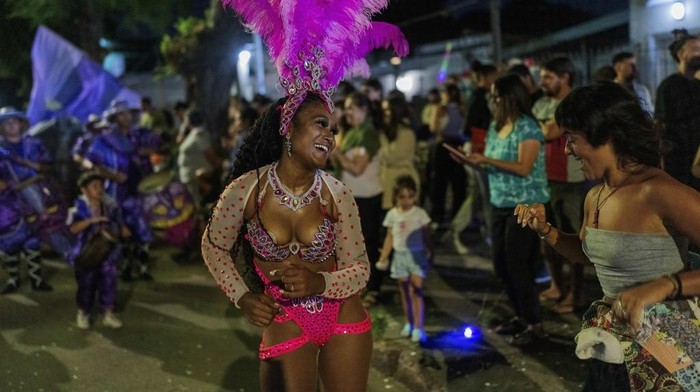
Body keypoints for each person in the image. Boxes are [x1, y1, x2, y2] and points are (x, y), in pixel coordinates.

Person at [203, 1, 408, 390]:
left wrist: (321, 284)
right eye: (319, 124)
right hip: (283, 320)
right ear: (288, 128)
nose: (330, 136)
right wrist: (243, 297)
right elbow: (214, 246)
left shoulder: (337, 193)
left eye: (332, 128)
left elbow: (360, 270)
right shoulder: (247, 190)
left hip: (344, 316)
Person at [514, 82, 700, 391]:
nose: (566, 150)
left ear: (608, 137)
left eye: (572, 140)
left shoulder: (659, 192)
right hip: (614, 345)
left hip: (667, 350)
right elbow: (589, 254)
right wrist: (546, 230)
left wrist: (666, 285)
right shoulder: (597, 195)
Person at [445, 74, 549, 344]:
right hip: (500, 201)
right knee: (501, 265)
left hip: (525, 203)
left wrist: (487, 158)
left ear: (510, 98)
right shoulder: (496, 126)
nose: (492, 102)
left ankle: (535, 324)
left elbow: (524, 167)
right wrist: (471, 162)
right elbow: (492, 165)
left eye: (496, 97)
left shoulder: (527, 128)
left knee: (518, 264)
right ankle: (521, 317)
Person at [533, 57, 587, 313]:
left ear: (565, 76)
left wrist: (542, 126)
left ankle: (576, 295)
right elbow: (538, 130)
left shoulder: (575, 103)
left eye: (548, 77)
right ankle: (557, 286)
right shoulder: (543, 102)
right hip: (544, 179)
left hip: (571, 180)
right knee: (547, 236)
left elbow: (547, 133)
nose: (542, 82)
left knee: (573, 239)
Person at [86, 100, 161, 281]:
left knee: (143, 230)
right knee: (122, 230)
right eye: (122, 114)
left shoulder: (140, 134)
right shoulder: (104, 140)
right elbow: (93, 165)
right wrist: (112, 176)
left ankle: (143, 268)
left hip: (141, 188)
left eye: (128, 113)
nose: (126, 117)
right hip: (117, 191)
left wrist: (148, 149)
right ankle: (125, 268)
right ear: (115, 118)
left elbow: (159, 144)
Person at [332, 92, 384, 307]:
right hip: (355, 197)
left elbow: (357, 168)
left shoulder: (367, 134)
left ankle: (373, 288)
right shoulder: (353, 132)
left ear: (364, 109)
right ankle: (361, 285)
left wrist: (337, 154)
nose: (348, 112)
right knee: (355, 244)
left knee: (369, 244)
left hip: (367, 197)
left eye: (352, 107)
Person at [66, 170, 131, 329]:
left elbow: (119, 223)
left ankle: (108, 313)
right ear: (84, 190)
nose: (99, 189)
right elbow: (72, 229)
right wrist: (91, 221)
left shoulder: (110, 205)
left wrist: (122, 229)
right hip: (85, 250)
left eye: (101, 186)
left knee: (109, 278)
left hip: (108, 250)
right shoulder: (76, 208)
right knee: (87, 282)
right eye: (95, 186)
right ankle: (83, 312)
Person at [376, 175, 432, 343]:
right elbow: (389, 238)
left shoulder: (420, 214)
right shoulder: (392, 214)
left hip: (416, 256)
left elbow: (426, 235)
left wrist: (429, 252)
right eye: (402, 197)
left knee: (416, 291)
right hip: (399, 256)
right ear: (395, 197)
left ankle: (419, 327)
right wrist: (383, 257)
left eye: (410, 196)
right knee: (404, 291)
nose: (407, 201)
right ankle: (409, 322)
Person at [655, 31, 700, 193]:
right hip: (677, 160)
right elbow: (660, 123)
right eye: (695, 49)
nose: (699, 53)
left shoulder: (698, 84)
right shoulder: (668, 86)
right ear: (681, 54)